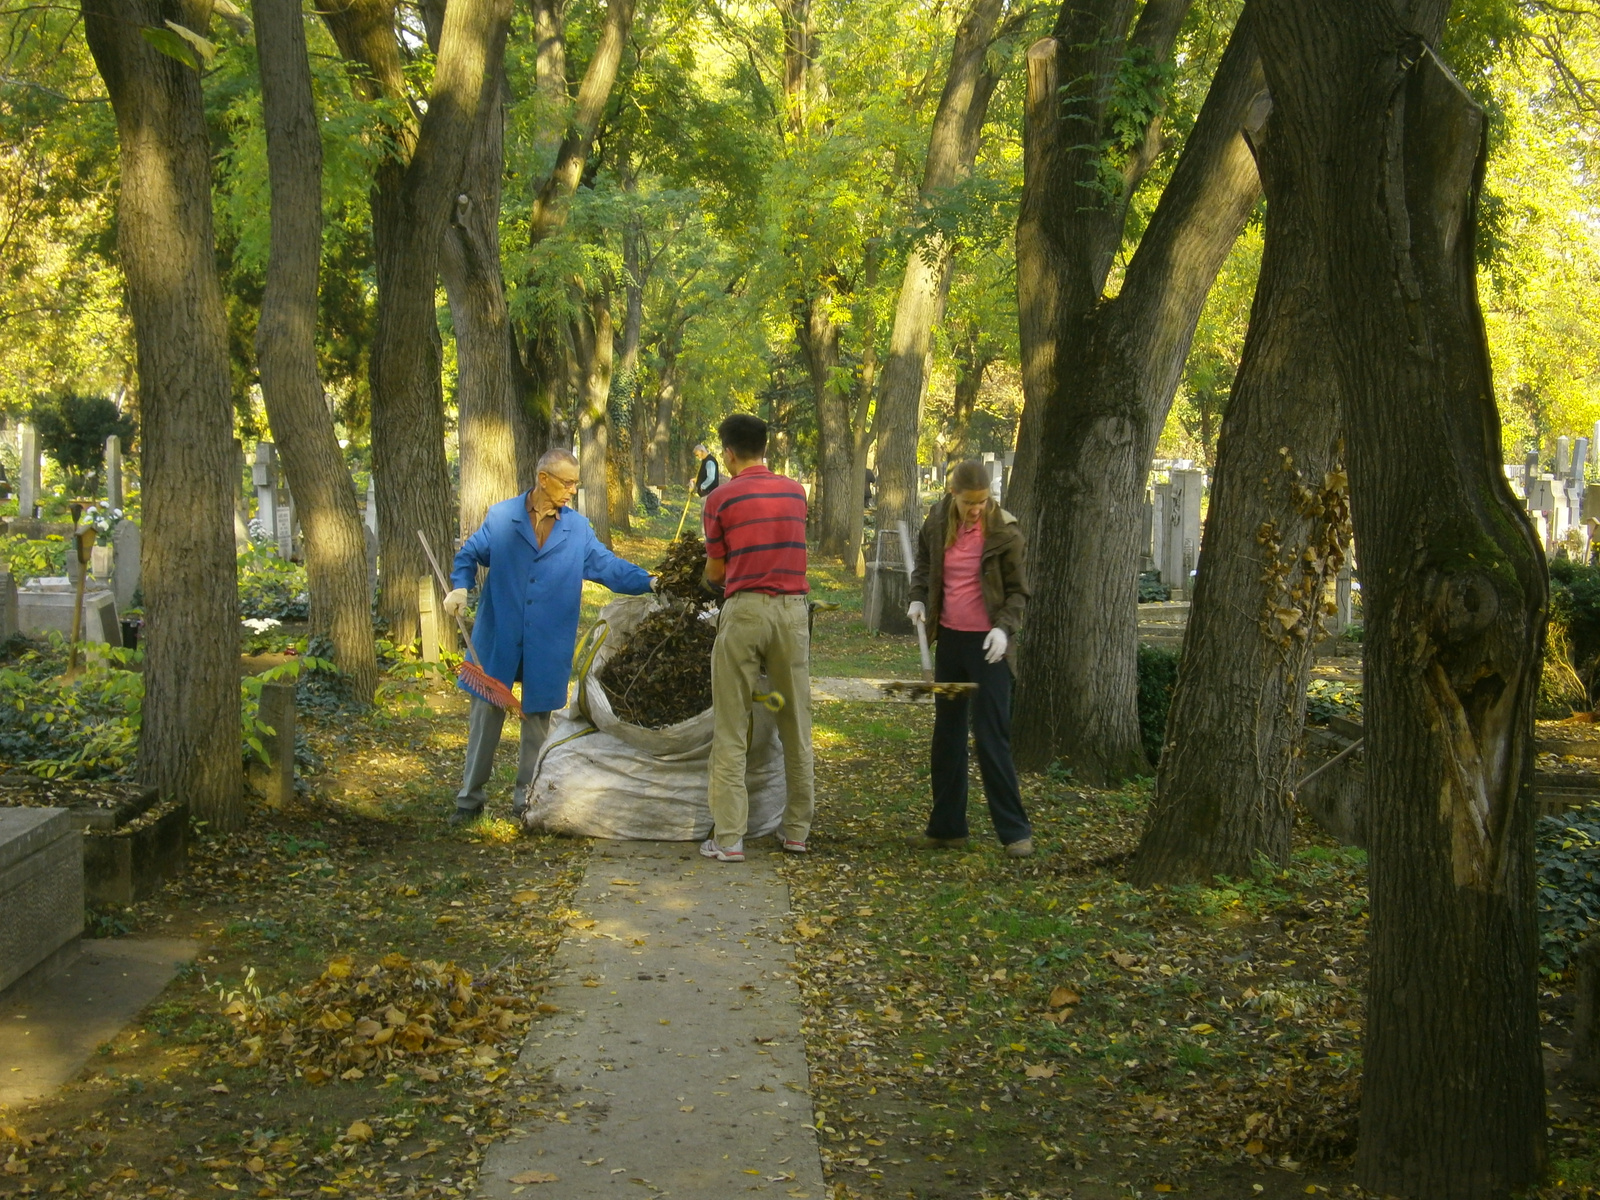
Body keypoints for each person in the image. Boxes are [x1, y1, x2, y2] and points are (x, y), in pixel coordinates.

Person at [444, 448, 656, 826]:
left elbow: (607, 567)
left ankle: (527, 801)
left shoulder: (577, 529)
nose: (573, 490)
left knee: (538, 719)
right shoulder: (502, 517)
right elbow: (470, 554)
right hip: (500, 634)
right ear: (543, 479)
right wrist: (460, 587)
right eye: (567, 482)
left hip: (548, 639)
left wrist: (650, 581)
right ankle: (469, 799)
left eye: (576, 483)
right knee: (487, 714)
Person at [699, 414, 813, 862]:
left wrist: (711, 583)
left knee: (731, 725)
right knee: (796, 723)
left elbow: (716, 571)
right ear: (765, 447)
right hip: (792, 613)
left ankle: (728, 838)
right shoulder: (795, 492)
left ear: (727, 453)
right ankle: (798, 831)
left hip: (744, 610)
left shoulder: (720, 499)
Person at [906, 458, 1033, 857]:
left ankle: (1014, 833)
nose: (976, 509)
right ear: (953, 494)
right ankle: (947, 828)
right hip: (951, 643)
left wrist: (1004, 628)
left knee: (991, 738)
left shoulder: (1005, 532)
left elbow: (1018, 592)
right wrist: (916, 596)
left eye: (983, 501)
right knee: (948, 738)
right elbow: (925, 565)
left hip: (988, 647)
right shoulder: (938, 518)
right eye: (969, 502)